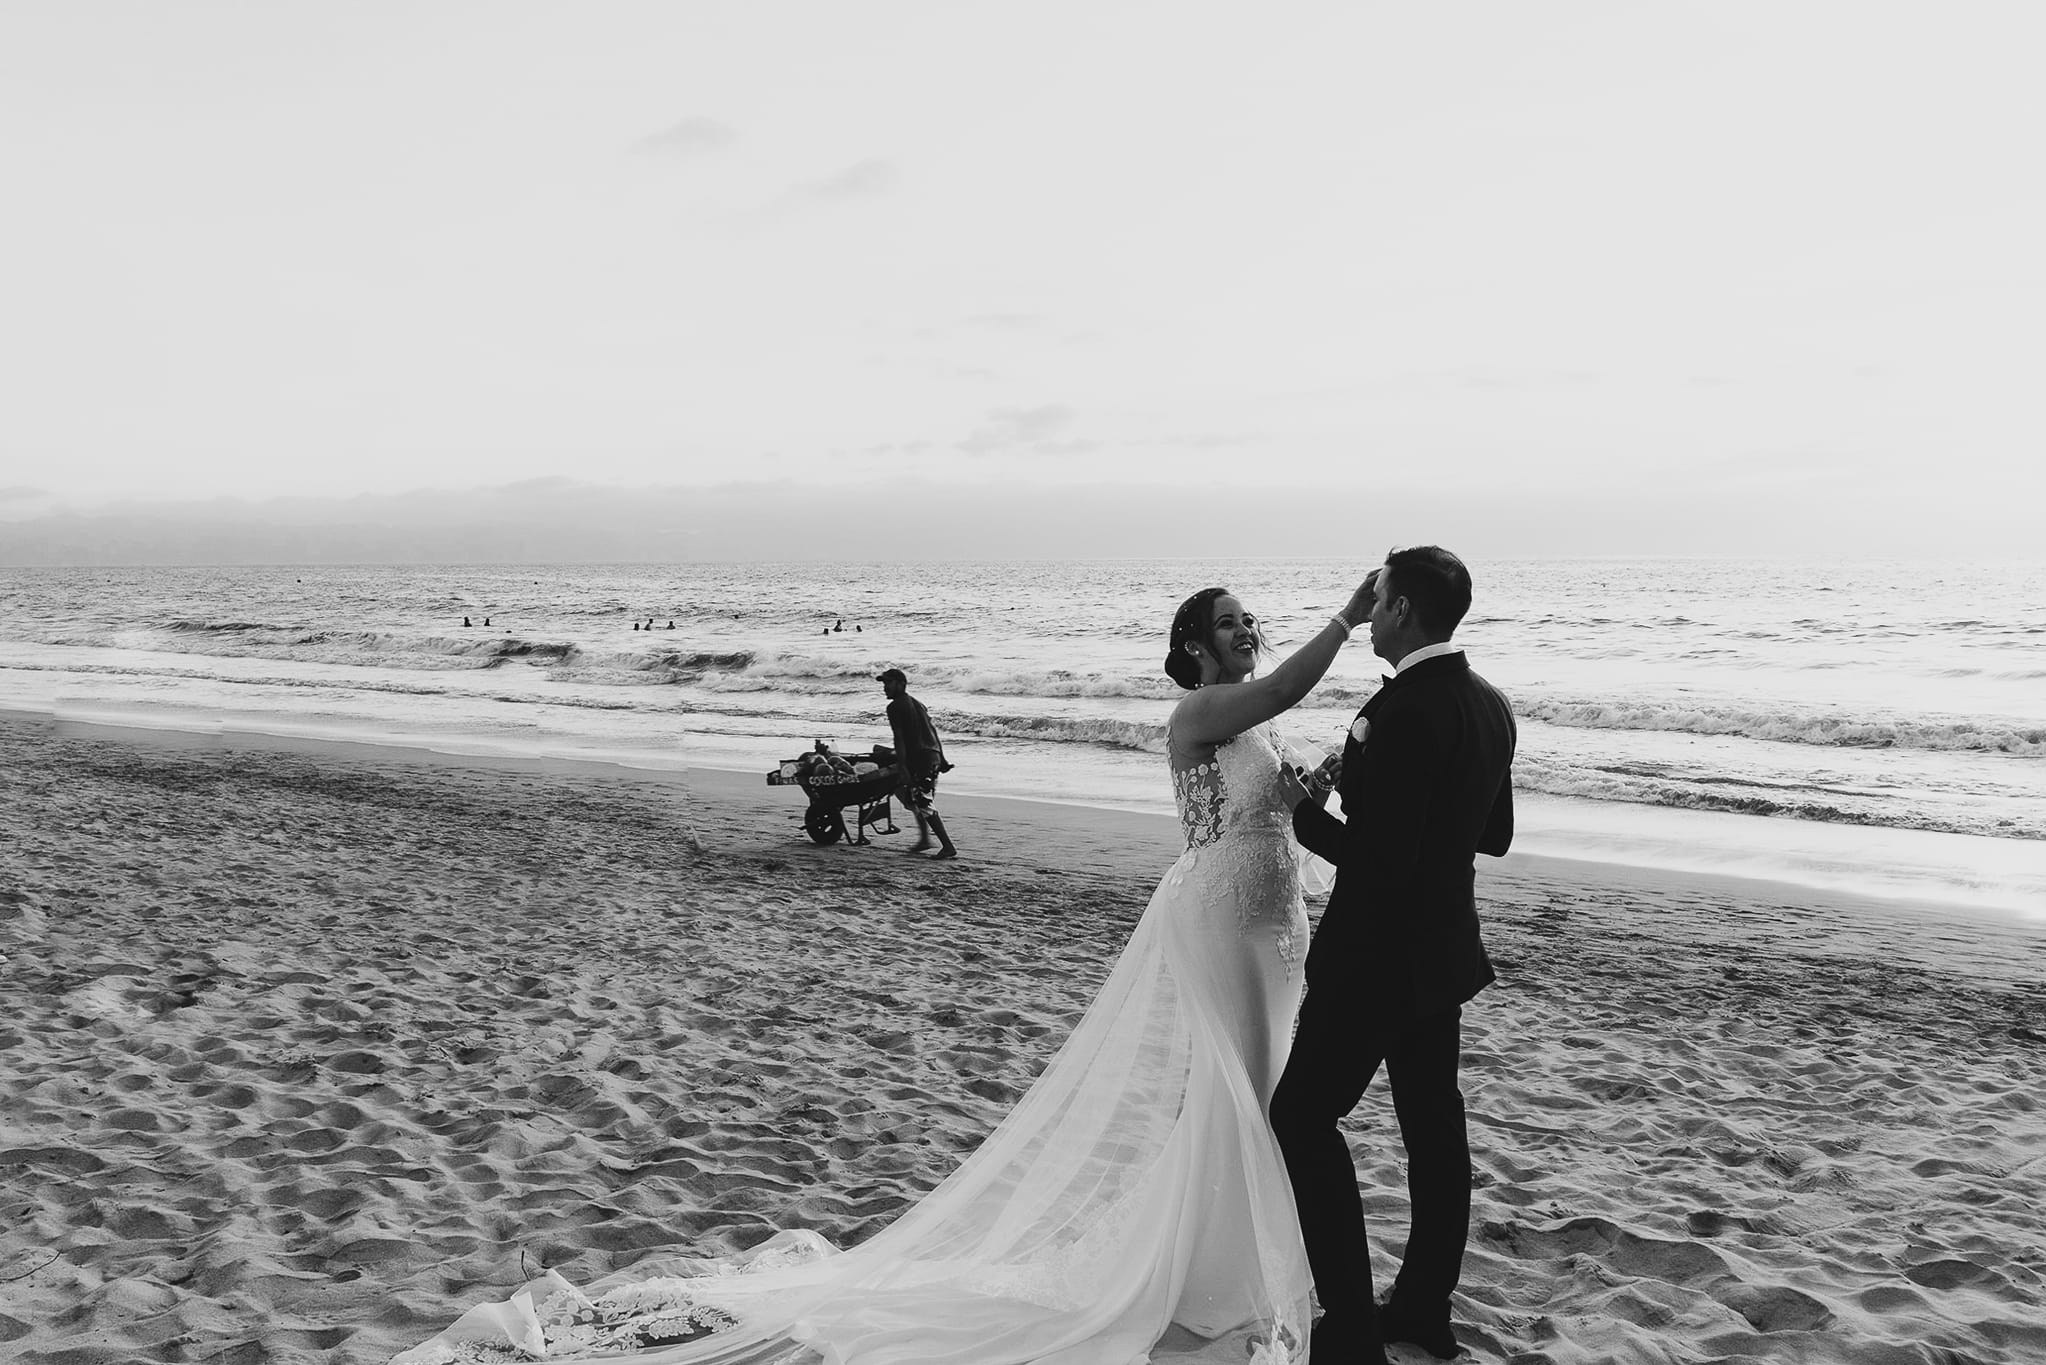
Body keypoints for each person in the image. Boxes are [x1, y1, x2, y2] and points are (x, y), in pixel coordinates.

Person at [392, 576, 1375, 1365]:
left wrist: (1311, 793)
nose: (1249, 630)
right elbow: (1281, 693)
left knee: (1263, 1089)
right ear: (1197, 647)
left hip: (1276, 923)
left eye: (1252, 619)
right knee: (1241, 1092)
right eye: (1232, 621)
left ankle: (1227, 1266)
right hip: (1222, 918)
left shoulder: (1251, 727)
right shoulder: (1205, 708)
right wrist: (1348, 615)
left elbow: (1271, 806)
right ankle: (1217, 1278)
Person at [1270, 547, 1517, 1365]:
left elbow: (1382, 861)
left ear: (1403, 609)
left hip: (1375, 955)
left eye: (1376, 602)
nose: (1371, 615)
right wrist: (1377, 796)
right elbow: (1493, 834)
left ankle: (1349, 1323)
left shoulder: (1406, 709)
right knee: (1434, 1133)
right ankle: (1421, 1311)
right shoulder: (1490, 703)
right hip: (1441, 955)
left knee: (1302, 1117)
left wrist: (1307, 814)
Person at [877, 667, 957, 859]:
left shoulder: (895, 707)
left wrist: (902, 767)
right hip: (932, 756)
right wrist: (942, 758)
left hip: (921, 759)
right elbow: (933, 732)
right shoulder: (918, 703)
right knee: (919, 799)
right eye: (884, 683)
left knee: (923, 802)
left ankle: (947, 846)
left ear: (901, 684)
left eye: (889, 683)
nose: (885, 687)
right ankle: (924, 840)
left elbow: (899, 738)